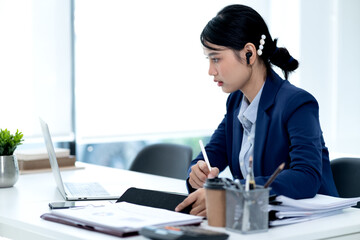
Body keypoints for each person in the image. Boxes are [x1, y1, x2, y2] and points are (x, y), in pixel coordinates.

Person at [175, 4, 338, 217]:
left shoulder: (297, 103)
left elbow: (306, 177)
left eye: (216, 58)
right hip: (261, 221)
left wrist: (232, 191)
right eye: (209, 59)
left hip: (317, 225)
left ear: (249, 53)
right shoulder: (236, 102)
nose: (210, 71)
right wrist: (196, 172)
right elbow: (212, 153)